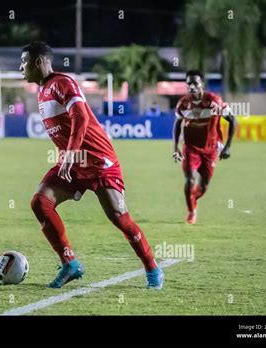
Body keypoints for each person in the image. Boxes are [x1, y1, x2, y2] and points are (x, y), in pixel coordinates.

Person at [19, 41, 163, 289]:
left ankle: (152, 268)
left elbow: (81, 117)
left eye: (24, 61)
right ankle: (70, 264)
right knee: (40, 203)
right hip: (72, 163)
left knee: (119, 216)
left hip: (98, 160)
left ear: (39, 62)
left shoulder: (62, 83)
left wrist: (71, 153)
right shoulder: (42, 92)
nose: (20, 67)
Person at [172, 70, 237, 224]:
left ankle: (193, 198)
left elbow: (233, 120)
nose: (192, 87)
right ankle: (191, 211)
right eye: (189, 84)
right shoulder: (183, 103)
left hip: (210, 148)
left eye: (195, 83)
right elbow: (177, 123)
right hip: (190, 148)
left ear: (202, 84)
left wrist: (227, 147)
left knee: (204, 184)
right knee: (190, 179)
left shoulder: (214, 101)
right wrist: (175, 148)